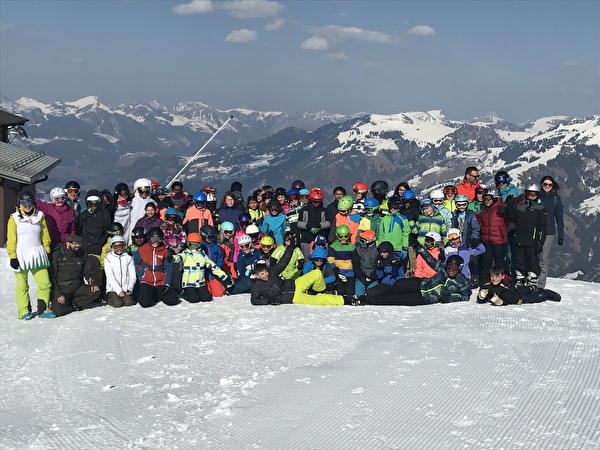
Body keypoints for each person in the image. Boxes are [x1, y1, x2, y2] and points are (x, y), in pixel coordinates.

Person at [7, 191, 54, 320]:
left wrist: (47, 250)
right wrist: (12, 256)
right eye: (24, 203)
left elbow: (45, 235)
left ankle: (43, 309)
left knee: (44, 283)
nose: (27, 206)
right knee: (22, 286)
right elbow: (11, 239)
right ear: (19, 204)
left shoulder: (39, 216)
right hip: (21, 255)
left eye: (29, 203)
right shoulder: (14, 218)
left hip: (37, 254)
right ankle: (23, 311)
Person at [250, 244, 347, 306]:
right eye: (262, 274)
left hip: (296, 284)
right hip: (293, 297)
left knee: (317, 273)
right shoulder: (257, 286)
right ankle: (345, 300)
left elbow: (284, 261)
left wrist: (291, 246)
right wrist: (269, 300)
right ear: (257, 275)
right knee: (319, 300)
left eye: (265, 272)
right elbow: (254, 300)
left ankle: (316, 291)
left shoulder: (272, 272)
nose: (266, 274)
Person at [360, 253, 470, 306]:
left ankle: (368, 300)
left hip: (424, 298)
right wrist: (419, 248)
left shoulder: (462, 282)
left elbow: (465, 296)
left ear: (459, 268)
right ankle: (370, 293)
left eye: (454, 267)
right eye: (449, 266)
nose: (450, 270)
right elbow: (430, 260)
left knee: (396, 299)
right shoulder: (442, 270)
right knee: (398, 285)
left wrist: (449, 297)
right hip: (420, 283)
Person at [504, 183, 547, 289]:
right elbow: (513, 218)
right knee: (519, 260)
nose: (530, 197)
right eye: (528, 194)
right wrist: (509, 207)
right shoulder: (521, 205)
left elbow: (542, 227)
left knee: (532, 260)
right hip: (519, 238)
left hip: (532, 240)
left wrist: (540, 242)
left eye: (533, 194)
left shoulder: (540, 208)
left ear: (537, 195)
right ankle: (520, 278)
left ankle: (532, 280)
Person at [49, 234, 103, 316]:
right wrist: (58, 294)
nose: (78, 245)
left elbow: (88, 272)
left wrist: (93, 284)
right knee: (58, 311)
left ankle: (73, 303)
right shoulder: (58, 255)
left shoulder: (82, 255)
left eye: (79, 243)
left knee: (96, 291)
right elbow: (52, 277)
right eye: (75, 243)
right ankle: (67, 304)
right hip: (62, 288)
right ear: (67, 243)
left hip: (77, 286)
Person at [171, 232, 234, 302]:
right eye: (191, 245)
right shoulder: (186, 254)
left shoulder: (202, 256)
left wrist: (224, 277)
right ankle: (185, 293)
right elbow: (179, 257)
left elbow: (213, 267)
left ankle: (196, 293)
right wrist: (173, 258)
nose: (193, 247)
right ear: (188, 244)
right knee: (194, 300)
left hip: (200, 283)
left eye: (196, 245)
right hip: (189, 283)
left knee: (207, 298)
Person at [132, 227, 179, 307]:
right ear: (149, 239)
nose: (155, 242)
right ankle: (152, 294)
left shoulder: (165, 251)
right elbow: (135, 264)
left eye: (158, 239)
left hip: (160, 281)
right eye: (153, 239)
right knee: (145, 303)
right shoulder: (142, 250)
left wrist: (167, 283)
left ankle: (158, 294)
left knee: (173, 300)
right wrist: (141, 274)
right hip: (147, 281)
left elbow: (168, 269)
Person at [477, 265, 561, 306]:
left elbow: (508, 298)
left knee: (537, 297)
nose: (494, 279)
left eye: (497, 276)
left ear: (502, 276)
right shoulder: (488, 284)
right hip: (516, 290)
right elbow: (483, 297)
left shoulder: (507, 285)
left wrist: (500, 302)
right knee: (523, 289)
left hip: (518, 297)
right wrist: (481, 297)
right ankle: (530, 288)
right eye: (492, 276)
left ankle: (546, 293)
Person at [477, 189, 509, 286]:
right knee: (487, 262)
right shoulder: (484, 211)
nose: (487, 201)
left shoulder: (501, 208)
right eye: (485, 199)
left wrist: (507, 211)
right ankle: (486, 281)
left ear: (494, 198)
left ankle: (501, 280)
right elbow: (479, 222)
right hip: (486, 240)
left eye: (489, 199)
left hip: (499, 240)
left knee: (499, 262)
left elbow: (511, 217)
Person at [538, 176, 565, 289]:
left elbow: (559, 218)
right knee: (532, 257)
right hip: (535, 231)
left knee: (543, 259)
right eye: (545, 184)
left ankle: (540, 285)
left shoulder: (555, 199)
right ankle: (531, 281)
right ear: (541, 184)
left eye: (549, 185)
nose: (547, 187)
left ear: (552, 186)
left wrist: (561, 236)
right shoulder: (536, 196)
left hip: (549, 232)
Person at [297, 187, 331, 260]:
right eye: (315, 201)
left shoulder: (324, 210)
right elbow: (299, 223)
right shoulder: (304, 210)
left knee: (322, 260)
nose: (317, 203)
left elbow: (328, 223)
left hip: (321, 240)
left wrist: (319, 226)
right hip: (307, 240)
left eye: (319, 201)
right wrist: (309, 226)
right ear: (311, 200)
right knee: (308, 261)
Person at [103, 235, 136, 308]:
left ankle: (124, 295)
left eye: (120, 246)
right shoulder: (108, 259)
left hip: (125, 287)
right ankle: (108, 297)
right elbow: (110, 276)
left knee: (129, 302)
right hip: (113, 289)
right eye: (116, 247)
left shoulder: (128, 258)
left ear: (123, 246)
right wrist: (118, 290)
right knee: (117, 304)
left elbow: (132, 275)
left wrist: (129, 288)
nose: (118, 249)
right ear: (112, 247)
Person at [78, 189, 112, 260]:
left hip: (97, 251)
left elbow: (107, 232)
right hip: (82, 250)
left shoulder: (105, 216)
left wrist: (101, 242)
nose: (93, 205)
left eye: (96, 202)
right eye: (91, 202)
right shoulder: (83, 215)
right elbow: (78, 230)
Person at [377, 196, 409, 263]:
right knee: (386, 268)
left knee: (396, 267)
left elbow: (405, 233)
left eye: (395, 208)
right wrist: (380, 246)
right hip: (385, 249)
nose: (393, 209)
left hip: (397, 247)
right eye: (391, 208)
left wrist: (405, 247)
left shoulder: (403, 219)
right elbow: (381, 233)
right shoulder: (384, 219)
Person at [327, 224, 356, 296]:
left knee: (350, 292)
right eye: (341, 236)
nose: (343, 238)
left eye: (346, 236)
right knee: (340, 291)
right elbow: (330, 260)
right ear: (337, 236)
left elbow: (355, 260)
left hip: (350, 273)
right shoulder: (333, 247)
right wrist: (336, 270)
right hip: (339, 272)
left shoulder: (352, 247)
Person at [351, 229, 379, 296]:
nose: (361, 242)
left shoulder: (377, 251)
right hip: (361, 277)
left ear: (370, 241)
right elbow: (356, 265)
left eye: (362, 240)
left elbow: (378, 266)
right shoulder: (357, 249)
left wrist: (372, 277)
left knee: (372, 295)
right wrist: (362, 277)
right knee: (358, 294)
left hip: (373, 277)